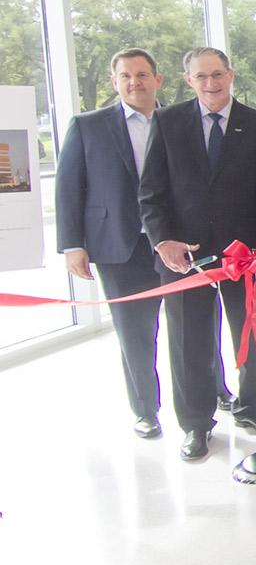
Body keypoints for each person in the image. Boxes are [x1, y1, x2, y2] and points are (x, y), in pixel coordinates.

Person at [138, 46, 256, 461]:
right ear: (188, 80)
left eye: (218, 74)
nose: (211, 83)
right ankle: (196, 424)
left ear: (231, 74)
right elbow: (150, 192)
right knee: (190, 341)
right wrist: (162, 240)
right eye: (201, 77)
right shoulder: (167, 122)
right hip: (184, 257)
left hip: (246, 256)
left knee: (252, 334)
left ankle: (253, 407)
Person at [56, 49, 171, 439]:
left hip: (174, 245)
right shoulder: (87, 126)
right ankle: (145, 410)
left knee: (193, 325)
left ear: (158, 79)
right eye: (125, 76)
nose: (134, 82)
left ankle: (212, 392)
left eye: (142, 74)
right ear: (114, 82)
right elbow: (69, 188)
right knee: (134, 332)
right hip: (119, 248)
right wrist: (73, 244)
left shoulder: (179, 122)